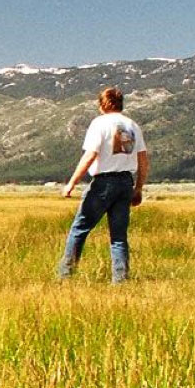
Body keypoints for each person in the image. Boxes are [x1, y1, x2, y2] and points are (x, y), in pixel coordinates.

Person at [57, 86, 149, 282]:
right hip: (125, 182)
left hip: (104, 183)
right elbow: (142, 159)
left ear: (103, 104)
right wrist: (138, 187)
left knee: (80, 228)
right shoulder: (132, 125)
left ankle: (65, 276)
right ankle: (121, 279)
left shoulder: (99, 124)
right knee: (118, 237)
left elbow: (90, 154)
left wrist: (72, 183)